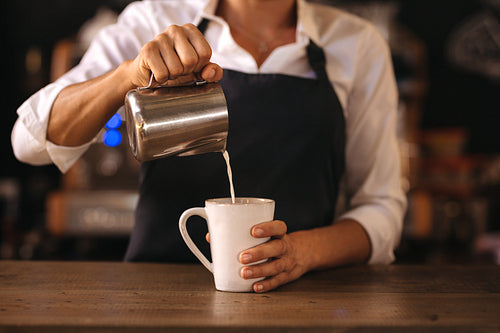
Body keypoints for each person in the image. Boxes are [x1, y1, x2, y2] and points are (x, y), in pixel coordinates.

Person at [12, 0, 406, 293]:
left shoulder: (356, 44)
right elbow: (29, 141)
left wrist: (303, 252)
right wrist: (126, 76)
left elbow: (382, 207)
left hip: (302, 301)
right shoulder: (154, 21)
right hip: (153, 300)